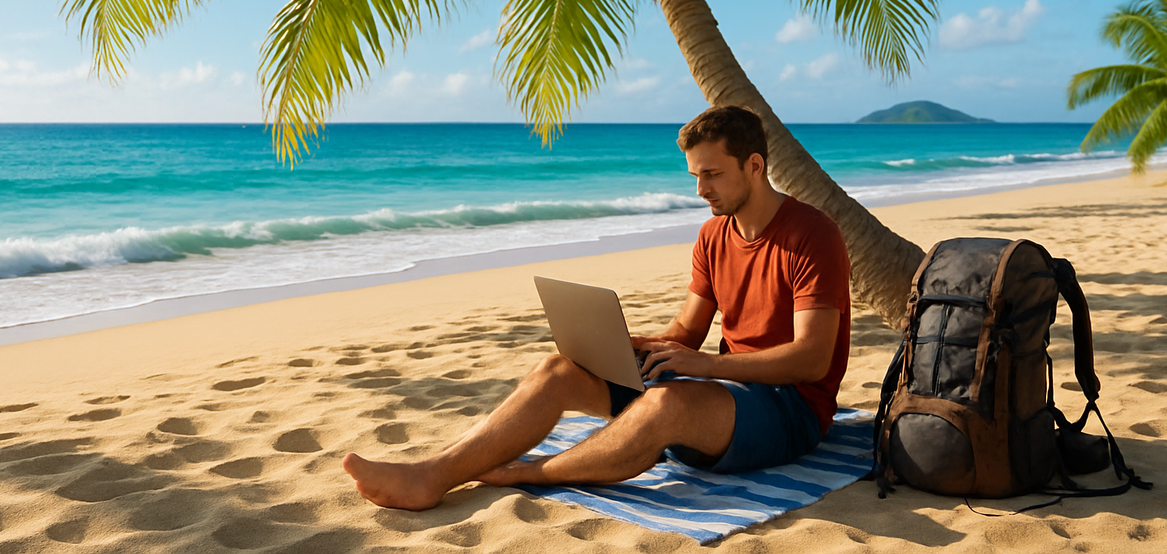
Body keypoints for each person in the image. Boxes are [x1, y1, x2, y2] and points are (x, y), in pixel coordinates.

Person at [343, 105, 851, 510]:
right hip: (722, 391)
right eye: (695, 175)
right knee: (554, 370)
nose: (700, 190)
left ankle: (531, 472)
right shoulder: (713, 235)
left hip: (788, 409)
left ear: (755, 166)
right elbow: (687, 333)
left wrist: (707, 365)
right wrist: (625, 345)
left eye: (712, 175)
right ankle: (436, 471)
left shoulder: (812, 236)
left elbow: (812, 359)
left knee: (664, 405)